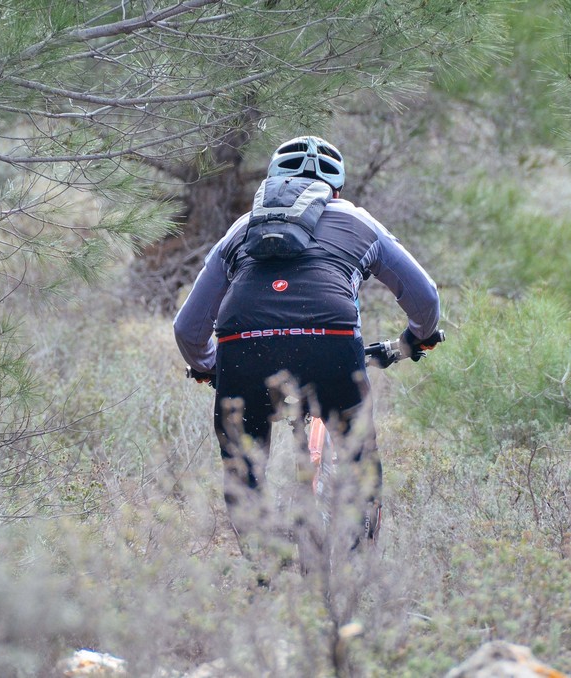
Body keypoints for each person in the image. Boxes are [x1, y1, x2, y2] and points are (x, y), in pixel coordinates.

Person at [173, 135, 441, 554]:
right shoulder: (358, 221)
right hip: (331, 343)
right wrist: (416, 337)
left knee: (244, 471)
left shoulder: (242, 227)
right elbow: (425, 298)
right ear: (337, 190)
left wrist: (211, 366)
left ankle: (265, 571)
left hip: (243, 347)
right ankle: (355, 563)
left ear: (274, 181)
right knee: (358, 455)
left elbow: (188, 328)